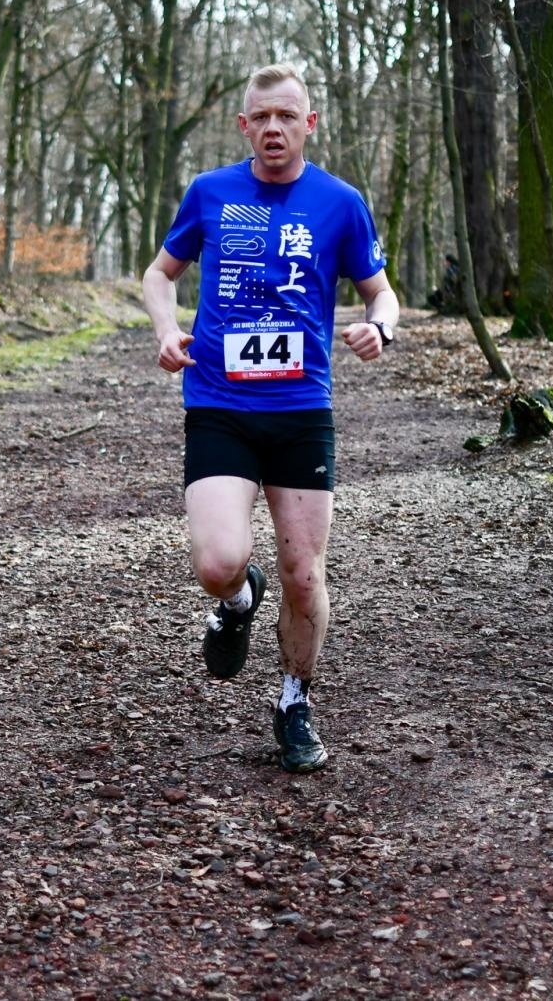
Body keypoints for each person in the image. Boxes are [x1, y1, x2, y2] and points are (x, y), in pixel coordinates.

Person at [140, 63, 399, 774]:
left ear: (309, 123)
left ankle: (293, 702)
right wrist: (166, 331)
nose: (275, 128)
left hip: (301, 412)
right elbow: (158, 274)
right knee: (219, 564)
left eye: (289, 116)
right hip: (220, 403)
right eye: (263, 117)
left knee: (305, 572)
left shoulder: (340, 203)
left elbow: (383, 293)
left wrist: (382, 328)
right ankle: (235, 601)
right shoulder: (211, 193)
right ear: (244, 126)